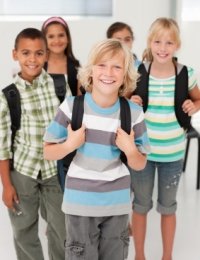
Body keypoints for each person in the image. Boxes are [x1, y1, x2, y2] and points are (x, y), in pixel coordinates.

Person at [43, 38, 150, 260]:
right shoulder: (72, 107)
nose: (108, 72)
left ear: (125, 75)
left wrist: (130, 150)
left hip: (117, 206)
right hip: (79, 206)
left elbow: (140, 164)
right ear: (91, 71)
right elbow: (48, 151)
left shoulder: (133, 113)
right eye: (102, 65)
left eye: (117, 66)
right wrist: (70, 145)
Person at [130, 17, 200, 260]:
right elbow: (124, 100)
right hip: (142, 154)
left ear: (177, 45)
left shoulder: (186, 73)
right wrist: (130, 101)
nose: (163, 47)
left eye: (169, 42)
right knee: (140, 206)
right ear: (150, 43)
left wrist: (194, 104)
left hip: (172, 154)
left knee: (168, 208)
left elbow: (198, 99)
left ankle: (167, 256)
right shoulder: (138, 72)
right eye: (157, 41)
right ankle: (139, 255)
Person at [0, 28, 65, 260]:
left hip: (54, 170)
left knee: (62, 229)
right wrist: (7, 185)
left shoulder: (59, 86)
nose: (32, 59)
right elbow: (2, 146)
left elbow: (70, 127)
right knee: (24, 229)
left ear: (46, 55)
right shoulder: (8, 95)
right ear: (15, 54)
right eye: (26, 53)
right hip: (23, 172)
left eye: (39, 53)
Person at [41, 16, 81, 96]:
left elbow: (80, 99)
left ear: (68, 38)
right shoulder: (38, 65)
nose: (57, 41)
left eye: (61, 35)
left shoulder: (76, 67)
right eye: (51, 36)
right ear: (43, 40)